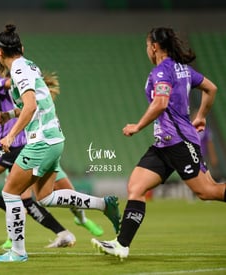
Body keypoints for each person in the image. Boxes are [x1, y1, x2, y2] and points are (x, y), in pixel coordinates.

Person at [0, 41, 101, 250]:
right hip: (10, 143)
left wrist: (32, 82)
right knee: (30, 199)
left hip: (16, 142)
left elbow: (11, 84)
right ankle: (63, 233)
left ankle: (19, 217)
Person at [0, 24, 121, 262]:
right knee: (45, 197)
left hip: (42, 141)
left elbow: (30, 106)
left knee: (10, 192)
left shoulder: (18, 70)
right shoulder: (29, 65)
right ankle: (103, 204)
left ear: (0, 53)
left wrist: (10, 135)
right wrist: (10, 115)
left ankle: (17, 252)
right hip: (54, 138)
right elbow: (37, 103)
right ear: (22, 47)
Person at [91, 27, 226, 260]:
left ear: (154, 46)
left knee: (208, 191)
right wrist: (201, 115)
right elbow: (210, 89)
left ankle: (122, 243)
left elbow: (161, 103)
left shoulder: (162, 71)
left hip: (180, 142)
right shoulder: (183, 69)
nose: (146, 50)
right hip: (164, 145)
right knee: (136, 186)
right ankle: (122, 245)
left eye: (147, 45)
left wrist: (137, 126)